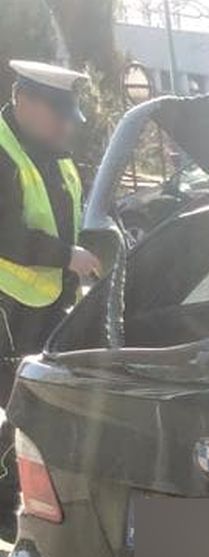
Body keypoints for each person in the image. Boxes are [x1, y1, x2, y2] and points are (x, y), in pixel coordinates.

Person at [0, 60, 98, 387]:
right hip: (10, 313)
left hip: (50, 308)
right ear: (23, 101)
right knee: (15, 398)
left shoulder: (53, 150)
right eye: (57, 115)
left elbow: (72, 213)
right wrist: (67, 256)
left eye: (68, 116)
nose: (66, 126)